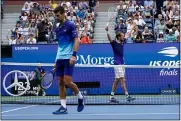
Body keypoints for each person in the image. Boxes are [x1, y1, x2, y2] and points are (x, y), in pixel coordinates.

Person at [53, 6, 84, 115]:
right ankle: (63, 107)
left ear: (63, 13)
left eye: (58, 15)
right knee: (60, 82)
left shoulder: (70, 25)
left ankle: (80, 97)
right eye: (55, 15)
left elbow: (77, 41)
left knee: (67, 81)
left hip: (68, 57)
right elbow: (59, 45)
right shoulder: (57, 28)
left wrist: (74, 55)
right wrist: (56, 60)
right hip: (60, 58)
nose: (56, 17)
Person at [105, 26, 135, 103]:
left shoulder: (122, 42)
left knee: (116, 81)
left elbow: (128, 35)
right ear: (118, 37)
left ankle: (111, 97)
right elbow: (109, 39)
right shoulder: (114, 43)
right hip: (117, 64)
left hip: (122, 64)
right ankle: (127, 96)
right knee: (123, 80)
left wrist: (132, 28)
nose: (123, 37)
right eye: (122, 36)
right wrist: (107, 31)